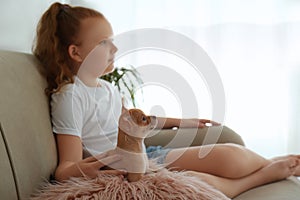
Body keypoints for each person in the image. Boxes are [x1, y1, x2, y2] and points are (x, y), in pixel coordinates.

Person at [33, 2, 300, 198]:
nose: (114, 48)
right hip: (128, 171)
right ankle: (267, 173)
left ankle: (270, 162)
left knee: (230, 153)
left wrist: (181, 122)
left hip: (146, 156)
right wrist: (90, 171)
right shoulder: (69, 96)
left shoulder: (106, 88)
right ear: (76, 52)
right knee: (198, 183)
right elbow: (64, 169)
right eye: (104, 43)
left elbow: (137, 123)